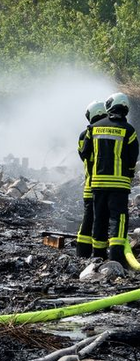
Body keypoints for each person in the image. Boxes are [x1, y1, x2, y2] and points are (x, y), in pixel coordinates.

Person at [85, 91, 138, 276]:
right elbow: (133, 157)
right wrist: (129, 174)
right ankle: (116, 256)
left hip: (98, 183)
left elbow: (86, 153)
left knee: (99, 218)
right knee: (119, 219)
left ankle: (98, 256)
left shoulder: (94, 128)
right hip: (119, 185)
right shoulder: (129, 130)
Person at [76, 100, 108, 261]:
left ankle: (82, 253)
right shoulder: (109, 132)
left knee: (88, 220)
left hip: (90, 185)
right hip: (105, 186)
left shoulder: (85, 134)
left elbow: (83, 155)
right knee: (101, 220)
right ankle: (99, 254)